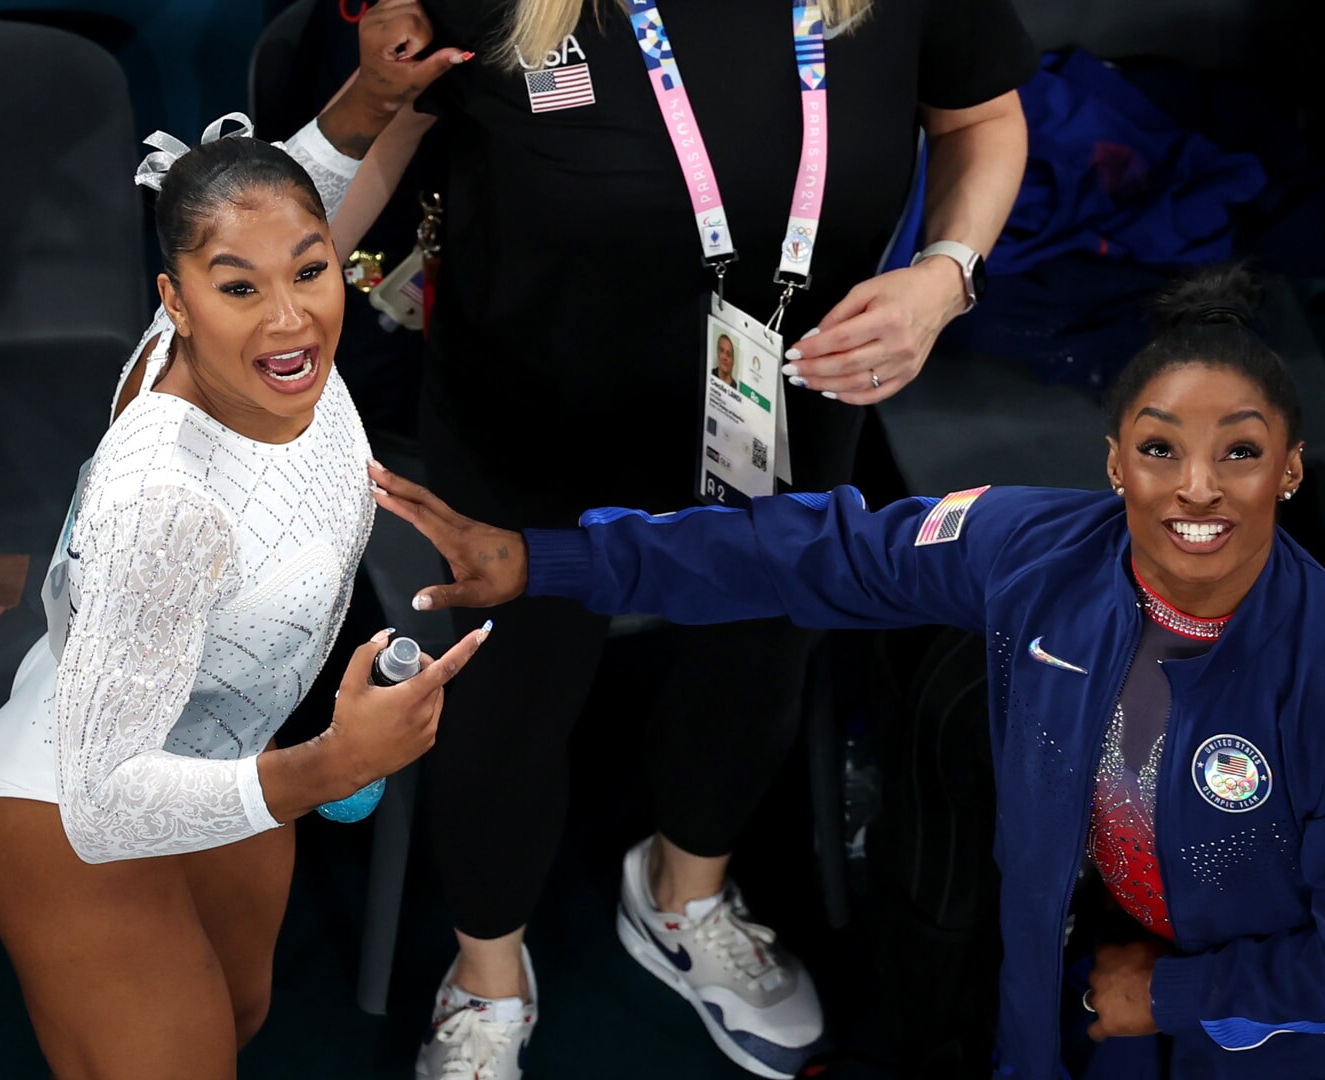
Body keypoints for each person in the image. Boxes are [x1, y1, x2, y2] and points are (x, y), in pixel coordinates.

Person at [370, 266, 1325, 1080]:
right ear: (1115, 461)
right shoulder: (1035, 553)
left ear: (1290, 468)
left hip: (1286, 1039)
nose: (1198, 490)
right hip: (1078, 992)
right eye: (1162, 448)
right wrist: (549, 559)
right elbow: (814, 552)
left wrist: (1171, 993)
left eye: (1240, 451)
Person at [330, 1, 1033, 1075]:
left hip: (783, 401)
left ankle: (683, 899)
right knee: (507, 702)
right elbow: (368, 155)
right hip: (532, 419)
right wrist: (277, 259)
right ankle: (485, 977)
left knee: (753, 666)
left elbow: (981, 117)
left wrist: (945, 276)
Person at [0, 12, 486, 1076]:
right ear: (177, 305)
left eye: (311, 271)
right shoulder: (165, 500)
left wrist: (376, 96)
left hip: (225, 750)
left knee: (236, 1018)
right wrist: (332, 762)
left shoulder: (268, 326)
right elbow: (109, 800)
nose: (289, 320)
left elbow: (281, 191)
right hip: (74, 800)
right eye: (239, 288)